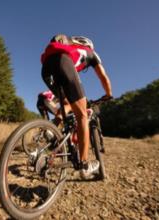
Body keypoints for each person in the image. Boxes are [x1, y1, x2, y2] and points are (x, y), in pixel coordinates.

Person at [40, 34, 113, 178]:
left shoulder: (69, 48)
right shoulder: (91, 53)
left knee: (67, 102)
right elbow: (103, 77)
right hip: (63, 63)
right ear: (88, 45)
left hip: (46, 68)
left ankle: (53, 128)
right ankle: (84, 165)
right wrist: (108, 94)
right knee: (82, 115)